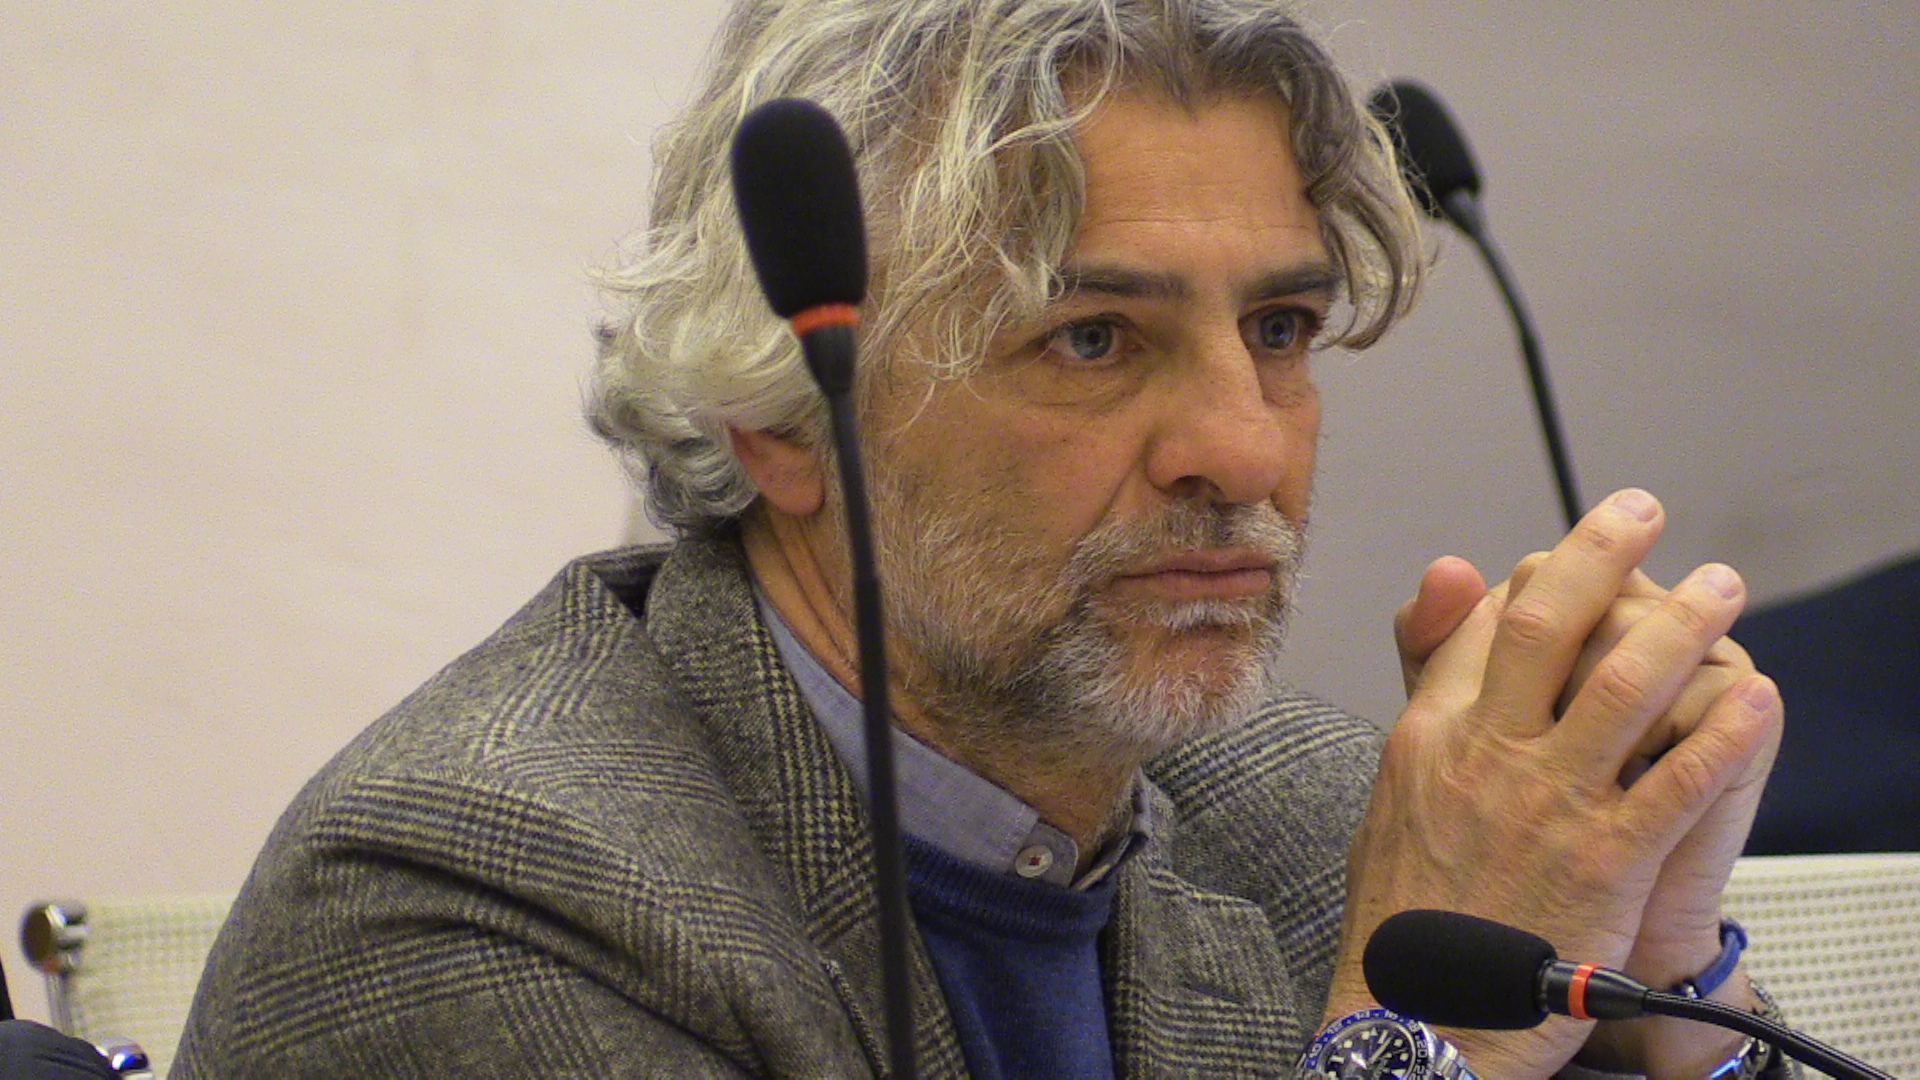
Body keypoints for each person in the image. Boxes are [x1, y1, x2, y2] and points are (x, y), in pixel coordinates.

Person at [173, 1, 1786, 1077]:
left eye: (1281, 328)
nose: (1243, 448)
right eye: (1091, 338)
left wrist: (1670, 990)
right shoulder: (484, 893)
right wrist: (1417, 1043)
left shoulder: (1295, 811)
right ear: (776, 416)